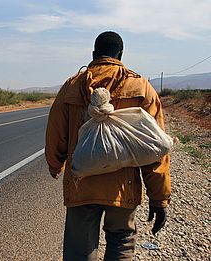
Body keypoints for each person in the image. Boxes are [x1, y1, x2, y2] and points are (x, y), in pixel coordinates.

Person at [45, 31, 171, 260]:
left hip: (81, 183)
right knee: (122, 241)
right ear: (120, 55)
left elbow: (55, 133)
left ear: (93, 54)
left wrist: (55, 165)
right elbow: (156, 149)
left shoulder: (72, 86)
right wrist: (158, 197)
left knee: (79, 249)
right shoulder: (141, 87)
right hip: (123, 185)